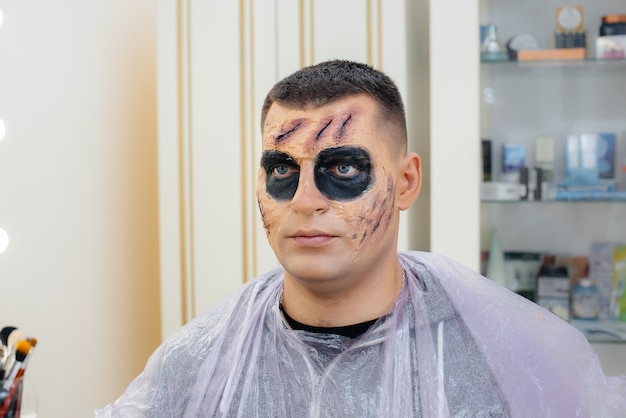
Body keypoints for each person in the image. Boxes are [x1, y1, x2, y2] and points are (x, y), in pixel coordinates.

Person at [96, 60, 626, 417]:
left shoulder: (510, 360)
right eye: (282, 170)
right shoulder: (196, 365)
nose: (305, 199)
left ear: (407, 182)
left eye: (343, 168)